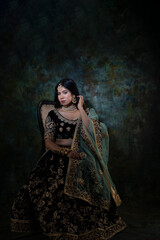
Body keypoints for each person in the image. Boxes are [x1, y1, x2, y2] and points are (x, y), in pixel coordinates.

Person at [11, 78, 126, 239]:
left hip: (81, 155)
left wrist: (80, 108)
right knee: (52, 184)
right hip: (57, 155)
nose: (61, 96)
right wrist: (65, 152)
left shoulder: (84, 113)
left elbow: (91, 133)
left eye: (65, 92)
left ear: (74, 95)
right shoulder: (53, 114)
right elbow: (48, 142)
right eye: (58, 93)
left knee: (88, 169)